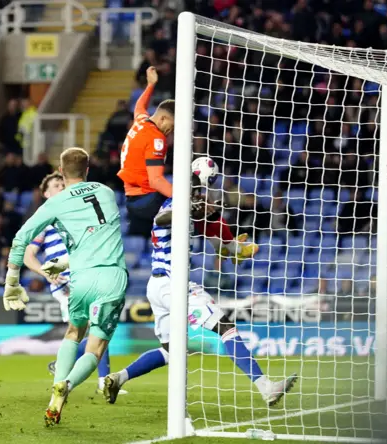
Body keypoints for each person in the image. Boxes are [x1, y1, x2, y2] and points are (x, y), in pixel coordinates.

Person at [103, 177, 295, 407]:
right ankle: (266, 387)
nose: (198, 193)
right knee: (226, 327)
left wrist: (232, 246)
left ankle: (118, 378)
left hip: (158, 285)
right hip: (174, 284)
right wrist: (185, 206)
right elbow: (162, 219)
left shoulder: (190, 211)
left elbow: (219, 243)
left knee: (170, 350)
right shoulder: (172, 205)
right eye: (194, 189)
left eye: (198, 189)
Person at [3, 147, 127, 426]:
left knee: (73, 331)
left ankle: (55, 397)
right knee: (95, 348)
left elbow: (21, 239)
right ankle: (67, 385)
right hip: (112, 277)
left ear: (61, 171)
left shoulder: (55, 203)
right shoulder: (107, 192)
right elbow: (96, 236)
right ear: (88, 170)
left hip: (80, 279)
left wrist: (12, 280)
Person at [23, 171, 127, 397]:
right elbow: (28, 255)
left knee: (90, 327)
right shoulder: (46, 221)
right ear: (46, 193)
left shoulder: (76, 213)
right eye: (56, 186)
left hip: (87, 273)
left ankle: (69, 368)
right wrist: (44, 272)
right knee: (89, 327)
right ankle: (95, 379)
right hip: (66, 282)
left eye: (62, 184)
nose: (61, 188)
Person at [117, 66, 175, 238]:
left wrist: (150, 85)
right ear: (163, 118)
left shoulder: (141, 121)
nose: (170, 131)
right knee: (196, 201)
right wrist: (183, 199)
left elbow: (140, 106)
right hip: (147, 200)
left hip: (132, 199)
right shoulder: (156, 138)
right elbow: (156, 180)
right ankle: (226, 244)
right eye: (171, 126)